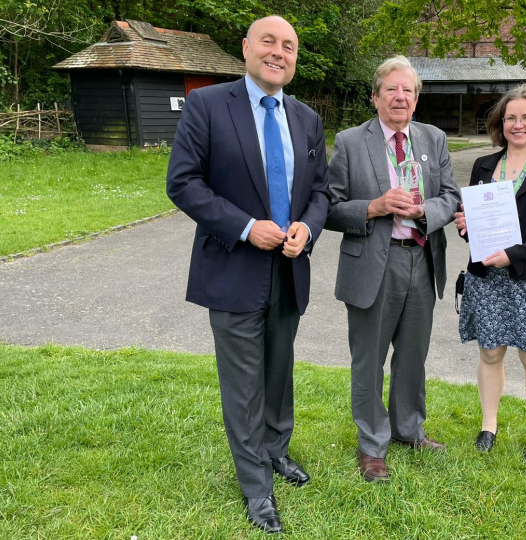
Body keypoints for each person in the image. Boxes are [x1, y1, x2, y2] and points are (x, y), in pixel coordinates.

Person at [166, 15, 329, 534]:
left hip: (289, 268)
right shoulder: (208, 105)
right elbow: (184, 183)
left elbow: (322, 192)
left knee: (279, 373)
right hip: (233, 268)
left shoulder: (307, 119)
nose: (279, 52)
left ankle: (276, 450)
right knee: (244, 385)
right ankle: (256, 486)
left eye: (289, 46)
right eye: (269, 42)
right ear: (246, 48)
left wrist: (307, 226)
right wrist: (243, 227)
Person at [325, 55, 460, 482]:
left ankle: (409, 429)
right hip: (372, 263)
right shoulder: (349, 142)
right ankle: (372, 445)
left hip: (421, 257)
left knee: (413, 354)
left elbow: (453, 196)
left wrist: (426, 211)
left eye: (408, 90)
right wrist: (374, 206)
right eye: (391, 89)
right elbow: (328, 208)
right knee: (369, 358)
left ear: (416, 99)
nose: (400, 97)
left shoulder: (433, 138)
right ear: (375, 97)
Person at [454, 85, 526, 463]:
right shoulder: (484, 166)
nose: (517, 125)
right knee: (490, 353)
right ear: (499, 124)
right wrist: (465, 223)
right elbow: (475, 219)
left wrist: (514, 255)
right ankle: (489, 425)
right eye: (510, 118)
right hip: (488, 275)